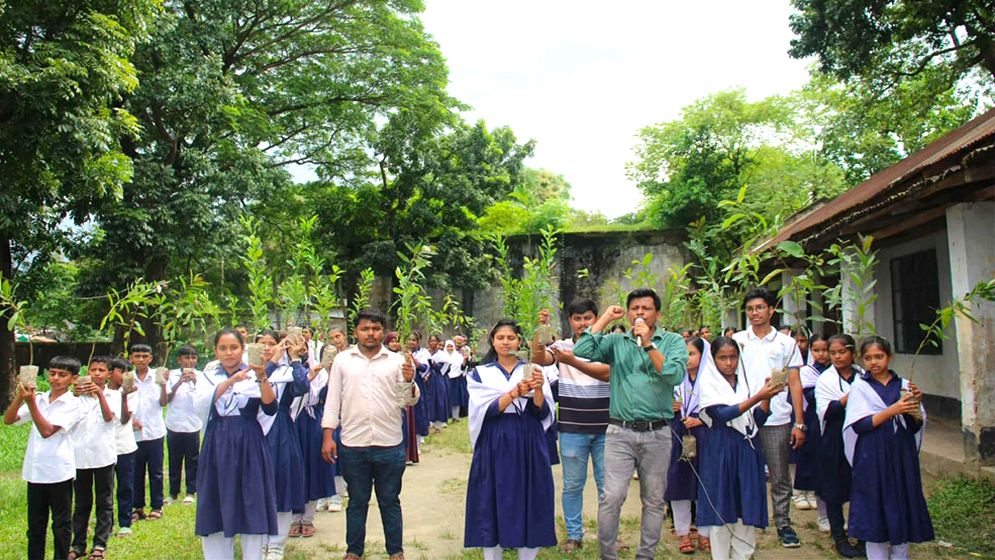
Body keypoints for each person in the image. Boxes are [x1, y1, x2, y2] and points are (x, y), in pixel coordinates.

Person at [573, 288, 688, 560]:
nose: (639, 313)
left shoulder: (672, 341)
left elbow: (673, 374)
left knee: (654, 500)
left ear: (658, 314)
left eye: (646, 308)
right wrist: (604, 318)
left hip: (658, 433)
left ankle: (645, 555)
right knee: (612, 497)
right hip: (620, 432)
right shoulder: (617, 342)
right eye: (634, 308)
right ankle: (607, 556)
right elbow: (582, 349)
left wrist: (648, 344)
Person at [321, 309, 419, 560]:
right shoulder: (343, 361)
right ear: (356, 332)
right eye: (365, 329)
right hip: (353, 443)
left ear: (383, 332)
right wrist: (328, 435)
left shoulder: (397, 361)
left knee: (390, 499)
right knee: (357, 500)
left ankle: (395, 550)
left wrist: (410, 381)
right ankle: (354, 550)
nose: (371, 333)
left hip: (389, 443)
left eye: (376, 329)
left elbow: (407, 401)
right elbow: (333, 399)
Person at [465, 319, 557, 560]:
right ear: (493, 341)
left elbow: (540, 412)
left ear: (519, 341)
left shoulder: (533, 369)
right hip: (495, 440)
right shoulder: (480, 373)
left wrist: (538, 388)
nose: (505, 342)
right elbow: (487, 410)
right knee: (491, 498)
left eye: (511, 338)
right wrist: (516, 392)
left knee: (531, 496)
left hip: (528, 438)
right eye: (500, 338)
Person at [530, 299, 610, 553]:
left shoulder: (610, 344)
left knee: (608, 487)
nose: (583, 323)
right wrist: (540, 330)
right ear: (570, 321)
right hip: (572, 428)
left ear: (596, 318)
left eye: (588, 318)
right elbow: (538, 357)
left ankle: (609, 535)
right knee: (573, 485)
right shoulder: (562, 347)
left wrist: (572, 360)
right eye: (577, 319)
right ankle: (574, 535)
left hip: (608, 428)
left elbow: (608, 373)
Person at [844, 336, 933, 559]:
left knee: (902, 504)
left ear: (889, 357)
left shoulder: (904, 385)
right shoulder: (860, 388)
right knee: (874, 510)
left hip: (900, 454)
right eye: (868, 358)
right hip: (872, 455)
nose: (874, 362)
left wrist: (914, 405)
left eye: (879, 356)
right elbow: (860, 425)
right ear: (861, 360)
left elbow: (914, 426)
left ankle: (901, 555)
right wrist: (892, 410)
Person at [195, 327, 278, 560]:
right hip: (217, 442)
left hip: (249, 443)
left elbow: (271, 407)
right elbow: (201, 405)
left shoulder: (255, 373)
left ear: (243, 349)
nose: (228, 353)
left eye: (234, 347)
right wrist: (232, 380)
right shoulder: (208, 376)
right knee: (215, 500)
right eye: (223, 348)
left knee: (251, 500)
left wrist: (261, 376)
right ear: (215, 351)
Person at [732, 288, 805, 548]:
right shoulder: (737, 340)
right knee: (743, 472)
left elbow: (795, 383)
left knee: (779, 474)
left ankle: (783, 524)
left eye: (760, 307)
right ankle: (746, 521)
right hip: (743, 418)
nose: (754, 313)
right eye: (750, 309)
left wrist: (799, 422)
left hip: (777, 418)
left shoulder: (786, 343)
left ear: (771, 310)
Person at [697, 337, 782, 560]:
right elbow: (721, 415)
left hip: (747, 448)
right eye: (722, 358)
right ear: (713, 359)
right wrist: (758, 396)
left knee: (746, 501)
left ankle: (743, 554)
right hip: (721, 448)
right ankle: (720, 555)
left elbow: (757, 420)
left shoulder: (746, 382)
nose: (729, 363)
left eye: (733, 357)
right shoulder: (708, 382)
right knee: (722, 505)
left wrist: (767, 398)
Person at [4, 356, 83, 560]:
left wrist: (31, 403)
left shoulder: (73, 404)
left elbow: (47, 431)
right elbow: (9, 420)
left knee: (61, 524)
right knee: (35, 525)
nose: (55, 378)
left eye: (62, 375)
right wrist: (21, 397)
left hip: (59, 471)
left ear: (74, 379)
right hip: (36, 470)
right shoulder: (39, 398)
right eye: (52, 373)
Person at [256, 330, 308, 560]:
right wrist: (272, 362)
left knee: (282, 483)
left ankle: (277, 543)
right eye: (262, 344)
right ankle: (259, 540)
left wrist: (294, 358)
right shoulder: (246, 372)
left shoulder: (286, 371)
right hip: (253, 433)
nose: (267, 348)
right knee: (256, 486)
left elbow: (302, 386)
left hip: (281, 432)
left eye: (272, 344)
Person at [814, 334, 864, 558]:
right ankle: (839, 536)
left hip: (861, 437)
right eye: (833, 353)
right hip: (834, 438)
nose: (837, 357)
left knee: (861, 487)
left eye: (842, 352)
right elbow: (826, 411)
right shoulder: (826, 380)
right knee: (834, 489)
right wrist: (847, 398)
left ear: (852, 353)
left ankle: (862, 534)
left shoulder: (863, 377)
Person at [69, 356, 121, 560]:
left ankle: (100, 543)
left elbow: (109, 417)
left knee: (104, 501)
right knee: (81, 503)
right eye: (93, 370)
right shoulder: (76, 397)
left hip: (103, 456)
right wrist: (76, 392)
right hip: (79, 456)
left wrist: (99, 394)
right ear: (87, 372)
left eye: (101, 370)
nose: (97, 373)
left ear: (109, 374)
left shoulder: (113, 395)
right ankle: (78, 544)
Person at [665, 337, 710, 555]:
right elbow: (658, 401)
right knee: (679, 482)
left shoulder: (711, 378)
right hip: (679, 430)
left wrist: (702, 419)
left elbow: (722, 406)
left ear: (703, 355)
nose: (687, 358)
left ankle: (704, 532)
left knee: (704, 482)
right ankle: (683, 532)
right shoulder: (674, 377)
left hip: (704, 432)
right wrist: (669, 405)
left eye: (692, 354)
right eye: (684, 354)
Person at [291, 343, 335, 539]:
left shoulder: (319, 370)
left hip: (312, 421)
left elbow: (325, 397)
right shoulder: (284, 370)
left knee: (312, 467)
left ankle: (308, 518)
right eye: (296, 348)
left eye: (303, 347)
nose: (301, 351)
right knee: (294, 468)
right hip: (292, 421)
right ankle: (294, 518)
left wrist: (330, 375)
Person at [791, 334, 830, 521]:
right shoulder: (807, 372)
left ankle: (814, 492)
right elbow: (810, 396)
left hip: (831, 420)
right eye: (817, 350)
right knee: (807, 455)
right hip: (811, 419)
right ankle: (800, 492)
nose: (821, 354)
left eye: (825, 350)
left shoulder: (837, 372)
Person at [129, 343, 168, 522]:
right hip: (134, 433)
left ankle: (157, 506)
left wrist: (164, 385)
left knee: (156, 472)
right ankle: (137, 507)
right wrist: (131, 421)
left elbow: (163, 403)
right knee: (136, 472)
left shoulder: (158, 376)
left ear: (151, 358)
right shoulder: (128, 378)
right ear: (131, 358)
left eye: (145, 356)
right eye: (137, 356)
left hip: (154, 431)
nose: (141, 360)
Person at [165, 345, 203, 505]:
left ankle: (190, 491)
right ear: (179, 360)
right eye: (186, 358)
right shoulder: (171, 375)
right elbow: (166, 398)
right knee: (174, 459)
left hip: (193, 423)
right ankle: (173, 493)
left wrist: (195, 382)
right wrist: (179, 382)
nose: (190, 361)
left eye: (193, 357)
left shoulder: (202, 376)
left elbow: (204, 396)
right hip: (174, 422)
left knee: (192, 459)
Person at [107, 357, 139, 537]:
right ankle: (107, 522)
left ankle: (125, 522)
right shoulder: (101, 392)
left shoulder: (131, 392)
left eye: (128, 372)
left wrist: (124, 396)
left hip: (124, 446)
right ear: (110, 373)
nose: (125, 376)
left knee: (125, 485)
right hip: (104, 447)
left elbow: (126, 419)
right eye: (121, 371)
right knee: (106, 488)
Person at [406, 331, 431, 447]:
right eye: (409, 340)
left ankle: (418, 440)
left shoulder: (423, 353)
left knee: (418, 411)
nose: (411, 342)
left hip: (418, 383)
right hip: (404, 384)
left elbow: (424, 368)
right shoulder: (402, 352)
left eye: (414, 340)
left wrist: (412, 359)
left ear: (418, 341)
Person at [426, 334, 451, 431]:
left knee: (438, 399)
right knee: (428, 399)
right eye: (431, 341)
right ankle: (429, 420)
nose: (433, 343)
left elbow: (441, 368)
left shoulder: (442, 355)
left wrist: (432, 362)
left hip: (437, 378)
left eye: (435, 341)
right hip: (426, 379)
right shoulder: (425, 353)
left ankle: (438, 423)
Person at [443, 340, 466, 421]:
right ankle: (445, 417)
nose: (450, 348)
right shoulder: (443, 356)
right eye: (448, 346)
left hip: (456, 379)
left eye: (451, 346)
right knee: (445, 398)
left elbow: (462, 368)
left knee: (456, 398)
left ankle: (455, 417)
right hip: (445, 379)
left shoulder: (458, 356)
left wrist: (464, 361)